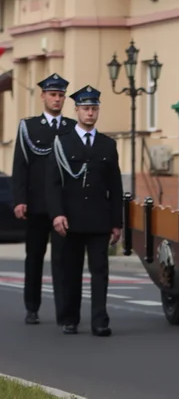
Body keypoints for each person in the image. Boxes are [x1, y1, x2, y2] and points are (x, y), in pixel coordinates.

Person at [47, 85, 123, 337]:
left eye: (94, 108)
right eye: (86, 109)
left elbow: (115, 186)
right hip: (70, 219)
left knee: (100, 272)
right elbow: (53, 183)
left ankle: (100, 321)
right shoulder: (62, 143)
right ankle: (70, 318)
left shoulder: (107, 145)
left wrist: (117, 222)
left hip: (99, 220)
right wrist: (57, 213)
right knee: (71, 271)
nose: (90, 113)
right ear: (76, 110)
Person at [11, 73, 74, 326]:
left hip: (62, 206)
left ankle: (63, 311)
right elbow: (20, 166)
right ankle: (32, 307)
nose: (57, 99)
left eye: (60, 96)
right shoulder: (29, 127)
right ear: (43, 97)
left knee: (62, 260)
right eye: (53, 95)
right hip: (36, 204)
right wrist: (19, 199)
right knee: (34, 257)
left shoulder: (72, 128)